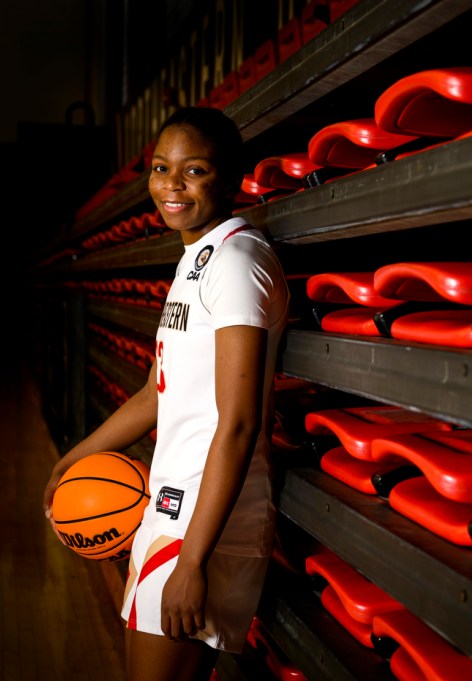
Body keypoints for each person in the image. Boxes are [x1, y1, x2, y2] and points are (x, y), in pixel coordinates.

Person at [43, 106, 290, 681]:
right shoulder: (195, 259)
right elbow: (158, 394)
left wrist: (194, 560)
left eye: (194, 170)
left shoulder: (237, 262)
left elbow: (239, 424)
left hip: (208, 521)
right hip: (173, 503)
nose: (171, 185)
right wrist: (73, 458)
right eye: (160, 168)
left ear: (231, 180)